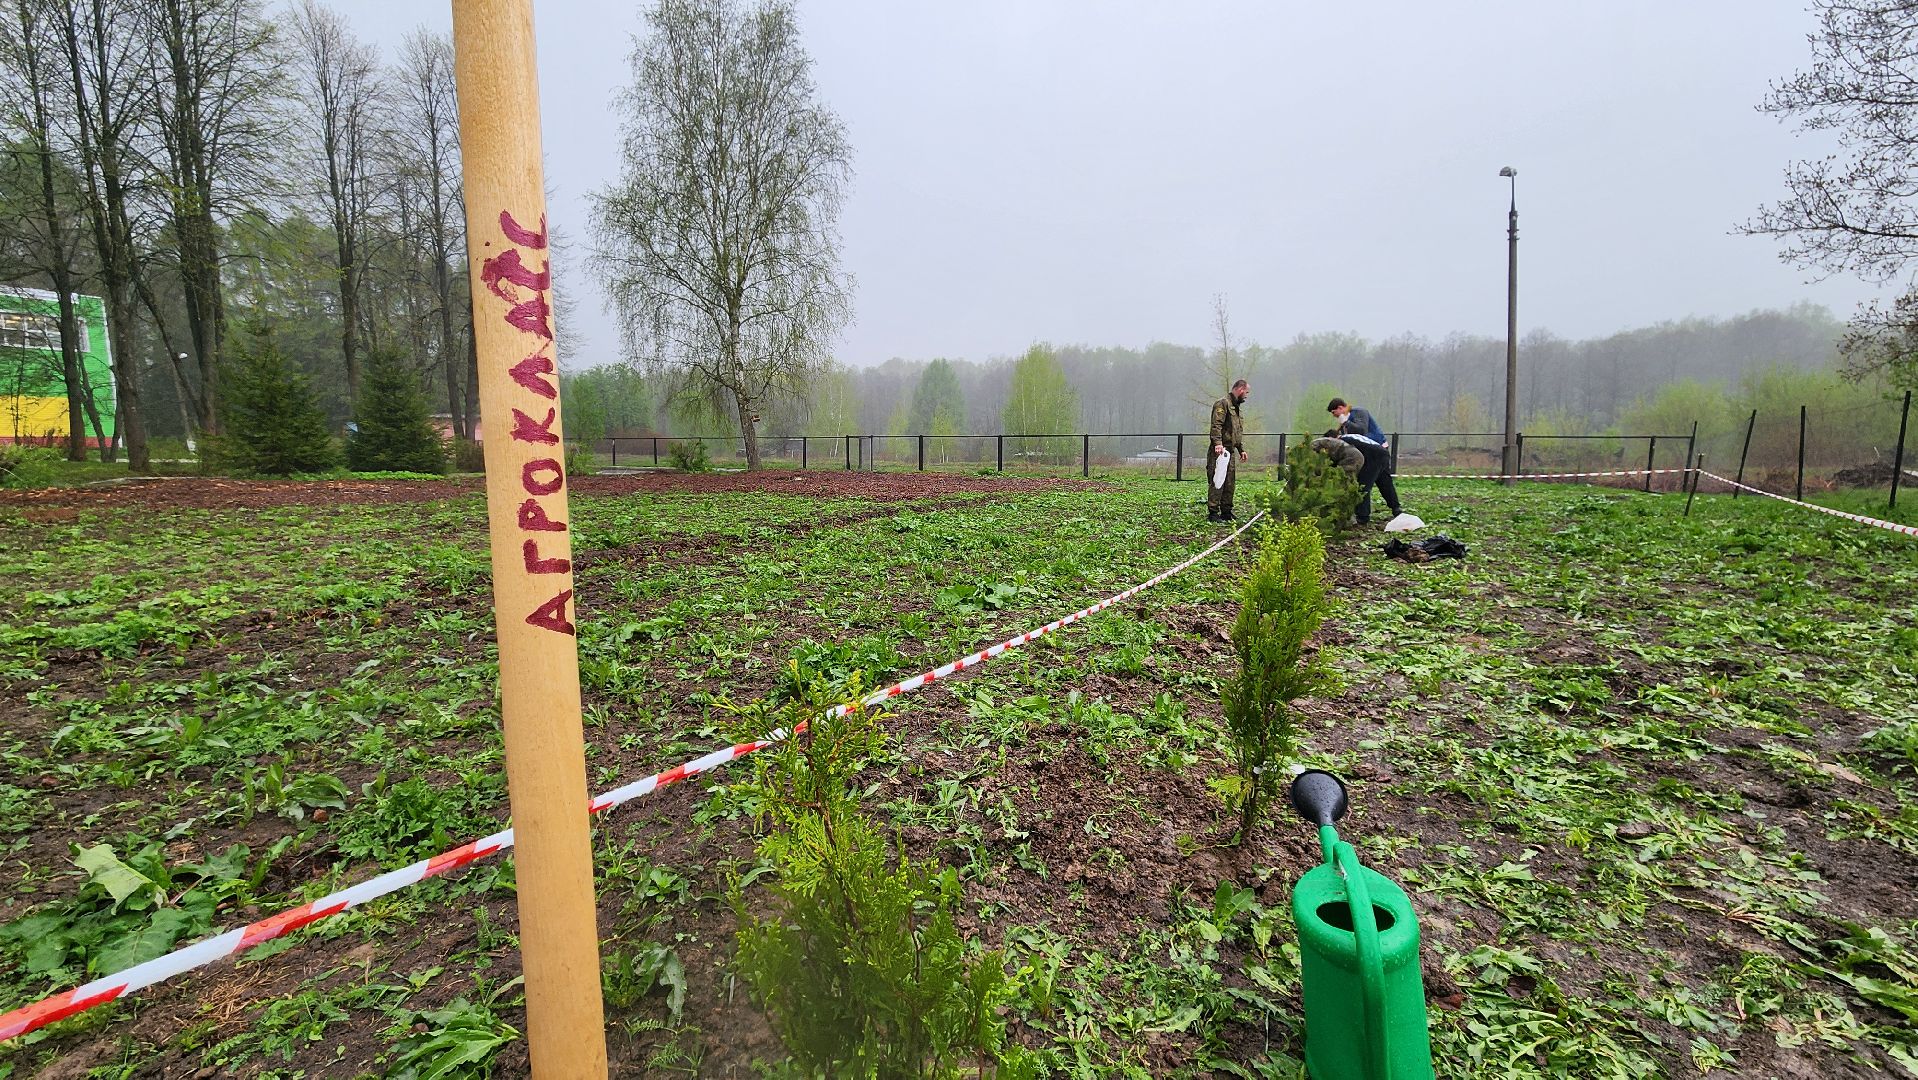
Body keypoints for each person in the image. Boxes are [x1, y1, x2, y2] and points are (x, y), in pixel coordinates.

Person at [1207, 379, 1250, 522]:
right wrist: (1217, 443)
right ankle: (1213, 512)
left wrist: (1241, 449)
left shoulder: (1236, 408)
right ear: (1240, 389)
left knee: (1230, 482)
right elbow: (1216, 425)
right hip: (1220, 450)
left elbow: (1236, 432)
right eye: (1246, 392)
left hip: (1230, 451)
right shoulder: (1223, 403)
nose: (1247, 396)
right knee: (1218, 480)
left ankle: (1226, 511)